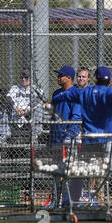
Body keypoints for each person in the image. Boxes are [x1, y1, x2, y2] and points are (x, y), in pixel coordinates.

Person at [49, 64, 112, 206]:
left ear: (94, 80)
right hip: (108, 138)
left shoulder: (84, 93)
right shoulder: (110, 93)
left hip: (90, 139)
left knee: (80, 173)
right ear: (110, 81)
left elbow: (66, 95)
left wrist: (53, 101)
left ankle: (73, 201)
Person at [47, 65, 82, 208]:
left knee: (69, 172)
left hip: (69, 139)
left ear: (69, 78)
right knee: (56, 172)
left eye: (61, 75)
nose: (58, 77)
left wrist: (69, 136)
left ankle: (69, 201)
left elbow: (76, 117)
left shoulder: (76, 94)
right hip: (56, 137)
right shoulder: (56, 93)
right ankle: (55, 201)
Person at [6, 69, 44, 138]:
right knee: (6, 109)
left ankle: (36, 135)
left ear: (31, 78)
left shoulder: (36, 89)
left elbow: (39, 99)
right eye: (21, 77)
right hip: (16, 114)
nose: (23, 79)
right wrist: (16, 108)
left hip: (30, 115)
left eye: (26, 77)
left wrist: (27, 109)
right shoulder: (15, 88)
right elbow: (9, 98)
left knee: (39, 108)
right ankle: (4, 136)